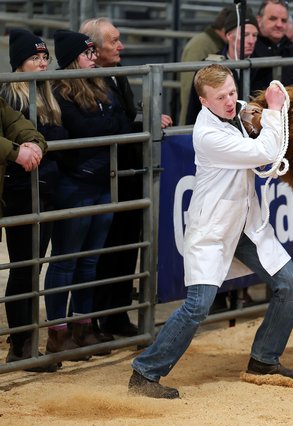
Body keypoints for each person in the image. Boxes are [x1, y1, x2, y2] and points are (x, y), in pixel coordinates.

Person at [128, 64, 293, 399]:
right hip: (212, 229)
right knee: (198, 306)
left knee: (292, 285)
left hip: (246, 225)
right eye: (220, 97)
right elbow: (264, 152)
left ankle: (264, 359)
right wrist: (274, 111)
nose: (229, 100)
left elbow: (257, 126)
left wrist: (262, 113)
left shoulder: (238, 111)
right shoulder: (207, 135)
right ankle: (145, 373)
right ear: (203, 101)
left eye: (232, 92)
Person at [79, 17, 172, 338]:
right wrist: (138, 123)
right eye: (114, 41)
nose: (121, 46)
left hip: (127, 173)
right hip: (100, 177)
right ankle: (91, 320)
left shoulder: (116, 74)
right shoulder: (85, 80)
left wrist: (145, 118)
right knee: (100, 253)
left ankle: (117, 316)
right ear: (93, 47)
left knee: (126, 247)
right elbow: (109, 125)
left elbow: (123, 116)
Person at [43, 30, 132, 357]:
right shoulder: (59, 91)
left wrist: (101, 129)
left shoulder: (100, 84)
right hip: (75, 182)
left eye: (94, 51)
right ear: (71, 60)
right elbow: (81, 129)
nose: (93, 57)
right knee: (66, 259)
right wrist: (102, 129)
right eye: (87, 53)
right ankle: (57, 330)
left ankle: (83, 324)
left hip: (99, 180)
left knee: (90, 259)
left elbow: (121, 123)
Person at [0, 29, 52, 371]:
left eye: (44, 57)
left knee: (32, 265)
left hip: (39, 185)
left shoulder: (46, 92)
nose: (42, 63)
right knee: (23, 266)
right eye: (34, 57)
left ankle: (25, 341)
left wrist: (33, 145)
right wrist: (19, 152)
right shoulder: (11, 93)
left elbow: (28, 131)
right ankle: (20, 343)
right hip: (16, 189)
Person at [184, 6, 259, 125]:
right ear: (229, 35)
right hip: (219, 133)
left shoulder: (264, 64)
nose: (251, 41)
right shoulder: (208, 67)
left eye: (254, 35)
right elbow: (194, 111)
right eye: (245, 35)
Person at [179, 6, 232, 125]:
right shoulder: (200, 46)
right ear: (226, 30)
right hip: (198, 120)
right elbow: (190, 88)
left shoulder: (214, 43)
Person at [250, 0, 293, 93]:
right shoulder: (250, 48)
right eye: (273, 18)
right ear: (259, 20)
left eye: (284, 20)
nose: (279, 25)